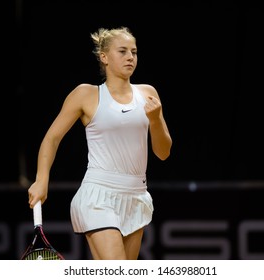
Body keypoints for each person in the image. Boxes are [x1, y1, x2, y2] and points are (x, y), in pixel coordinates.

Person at [27, 26, 172, 260]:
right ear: (104, 57)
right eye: (122, 51)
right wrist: (41, 179)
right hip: (99, 196)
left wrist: (155, 120)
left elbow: (163, 152)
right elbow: (51, 138)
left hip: (136, 196)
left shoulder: (148, 93)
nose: (130, 57)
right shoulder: (86, 95)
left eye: (134, 52)